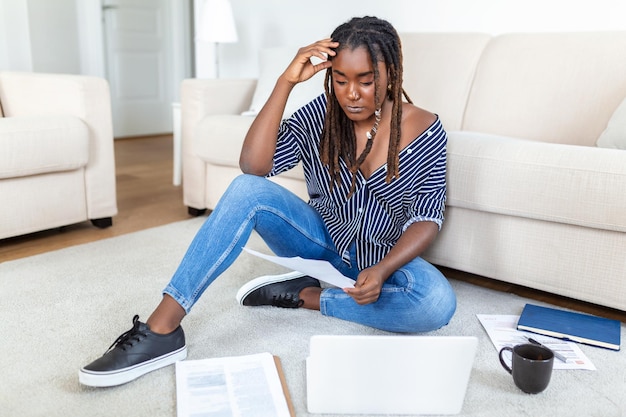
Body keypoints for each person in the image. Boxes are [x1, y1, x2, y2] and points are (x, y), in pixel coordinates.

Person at [79, 16, 457, 388]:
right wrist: (285, 83)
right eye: (340, 80)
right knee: (246, 188)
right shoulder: (323, 115)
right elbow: (254, 165)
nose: (351, 93)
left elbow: (426, 218)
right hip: (320, 243)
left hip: (379, 259)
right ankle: (161, 329)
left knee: (435, 303)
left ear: (391, 73)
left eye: (366, 80)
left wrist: (381, 270)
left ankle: (306, 296)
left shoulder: (424, 128)